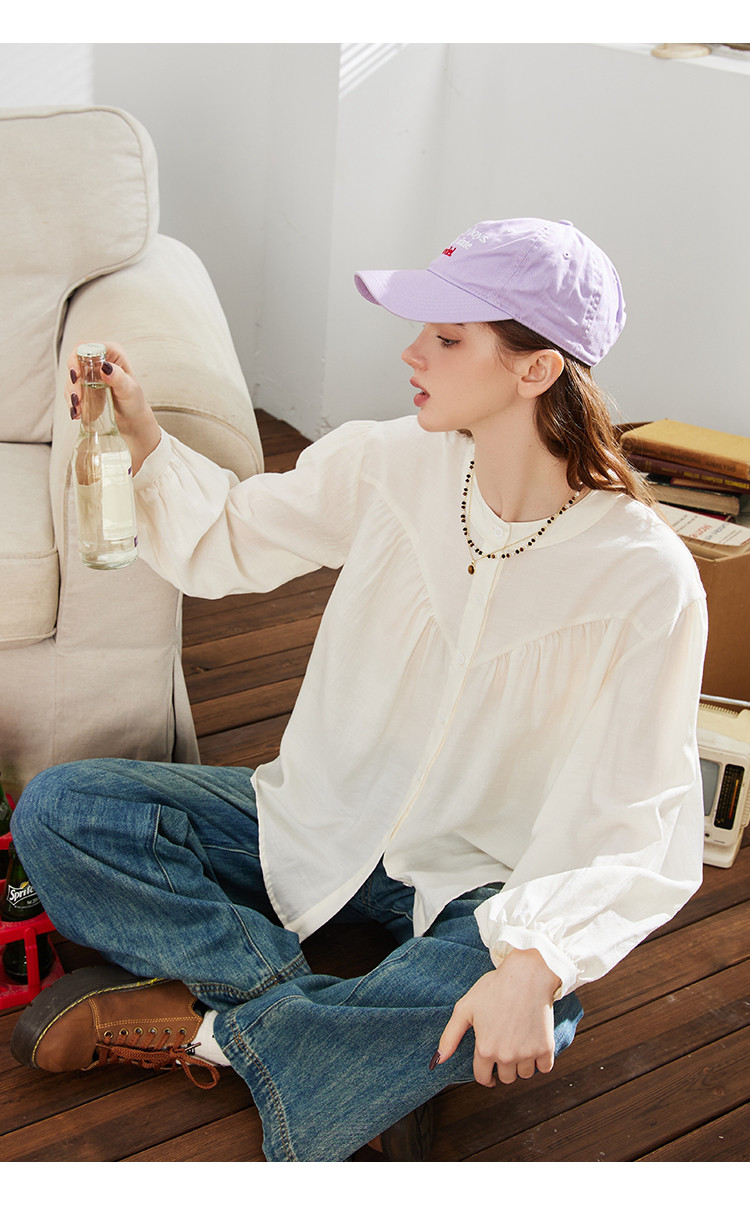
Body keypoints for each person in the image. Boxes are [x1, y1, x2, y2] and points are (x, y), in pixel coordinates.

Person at [9, 218, 708, 1163]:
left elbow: (640, 817)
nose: (412, 353)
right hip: (314, 822)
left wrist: (534, 963)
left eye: (448, 338)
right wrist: (140, 429)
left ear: (537, 368)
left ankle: (212, 1031)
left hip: (475, 882)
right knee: (61, 811)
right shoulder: (391, 461)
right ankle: (346, 1056)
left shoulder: (646, 578)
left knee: (541, 999)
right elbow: (233, 536)